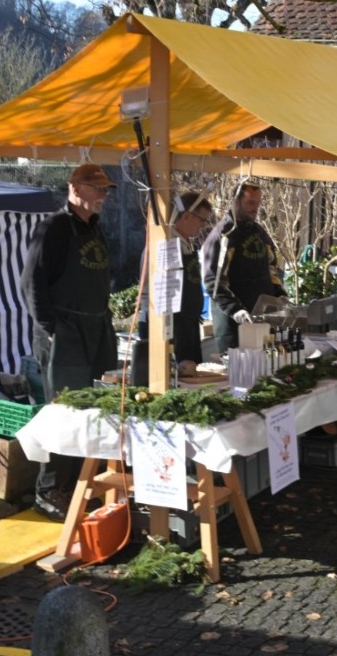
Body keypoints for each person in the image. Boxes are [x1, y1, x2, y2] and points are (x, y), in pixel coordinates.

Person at [20, 163, 119, 519]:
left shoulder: (94, 229)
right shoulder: (53, 228)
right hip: (63, 334)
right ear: (75, 188)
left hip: (96, 331)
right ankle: (48, 491)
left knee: (93, 411)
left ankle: (80, 486)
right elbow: (31, 282)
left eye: (106, 190)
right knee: (62, 413)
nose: (105, 196)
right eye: (98, 189)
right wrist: (50, 328)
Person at [132, 192, 215, 385]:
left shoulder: (185, 243)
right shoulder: (164, 244)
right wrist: (169, 336)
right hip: (170, 328)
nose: (203, 225)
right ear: (186, 216)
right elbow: (154, 295)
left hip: (188, 326)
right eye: (201, 220)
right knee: (177, 381)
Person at [202, 183, 285, 355]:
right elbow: (213, 283)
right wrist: (235, 310)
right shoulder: (223, 236)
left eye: (258, 203)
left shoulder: (259, 232)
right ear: (236, 202)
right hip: (234, 325)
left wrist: (279, 294)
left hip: (262, 318)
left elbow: (271, 267)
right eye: (250, 203)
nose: (256, 208)